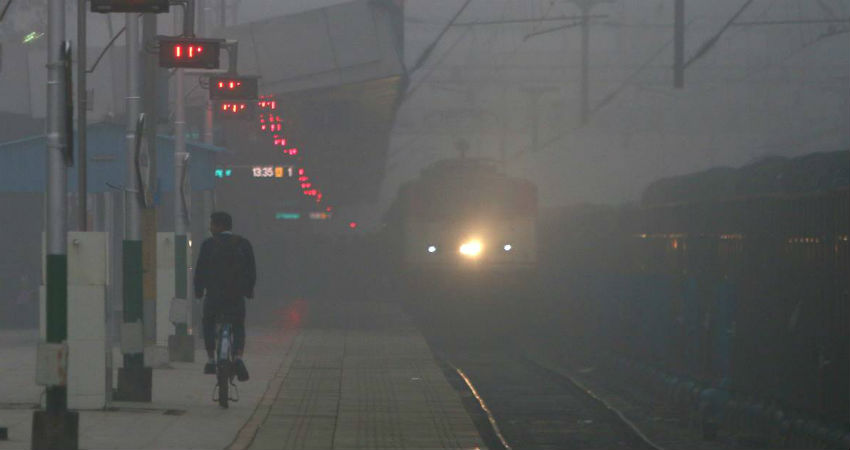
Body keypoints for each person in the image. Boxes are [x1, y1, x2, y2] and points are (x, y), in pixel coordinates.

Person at [194, 211, 256, 381]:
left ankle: (211, 360)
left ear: (219, 226)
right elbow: (251, 271)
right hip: (236, 298)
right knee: (238, 326)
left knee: (208, 322)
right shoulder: (243, 244)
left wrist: (199, 292)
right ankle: (237, 358)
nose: (210, 228)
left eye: (212, 224)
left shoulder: (208, 245)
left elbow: (200, 271)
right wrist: (248, 291)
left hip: (214, 297)